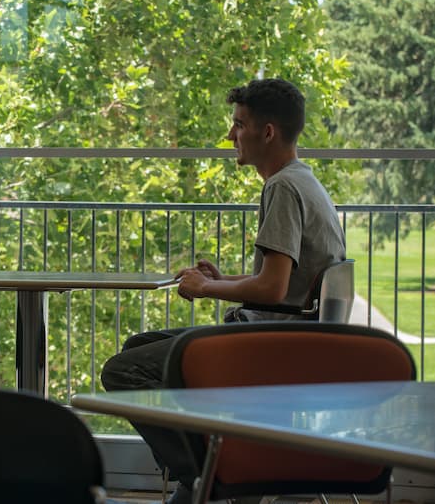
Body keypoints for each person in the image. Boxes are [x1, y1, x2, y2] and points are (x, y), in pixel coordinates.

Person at [101, 78, 346, 503]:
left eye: (238, 125)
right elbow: (288, 283)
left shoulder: (282, 187)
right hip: (293, 337)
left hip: (269, 346)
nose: (231, 135)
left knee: (123, 371)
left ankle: (212, 477)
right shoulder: (304, 181)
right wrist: (221, 279)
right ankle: (210, 470)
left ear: (266, 132)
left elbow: (272, 288)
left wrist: (207, 290)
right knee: (138, 347)